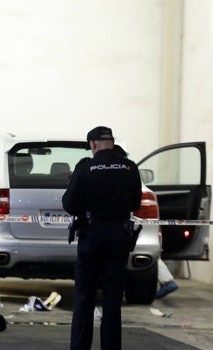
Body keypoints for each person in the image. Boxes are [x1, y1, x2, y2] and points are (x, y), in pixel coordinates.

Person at [62, 126, 142, 350]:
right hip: (119, 237)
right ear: (112, 142)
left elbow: (68, 204)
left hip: (91, 236)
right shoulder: (129, 167)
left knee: (84, 299)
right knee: (112, 301)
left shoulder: (85, 168)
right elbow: (135, 204)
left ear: (93, 144)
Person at [113, 145, 179, 300]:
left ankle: (167, 280)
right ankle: (167, 280)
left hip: (104, 233)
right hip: (126, 231)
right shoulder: (130, 175)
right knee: (141, 250)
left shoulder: (93, 175)